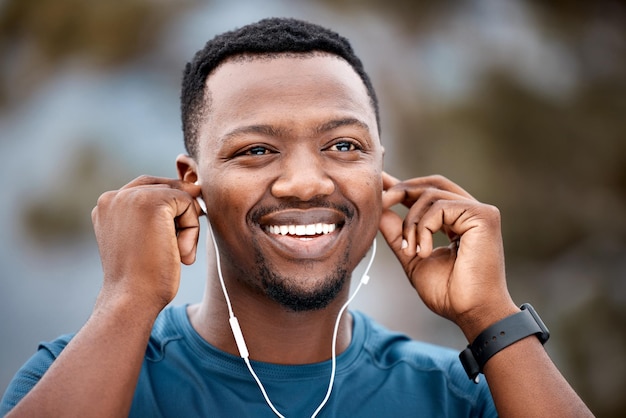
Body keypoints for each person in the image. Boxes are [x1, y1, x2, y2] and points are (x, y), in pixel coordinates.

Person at [1, 17, 592, 417]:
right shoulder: (83, 375)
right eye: (256, 150)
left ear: (382, 174)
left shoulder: (458, 395)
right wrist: (127, 299)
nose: (306, 181)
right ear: (192, 184)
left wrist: (491, 314)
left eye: (343, 146)